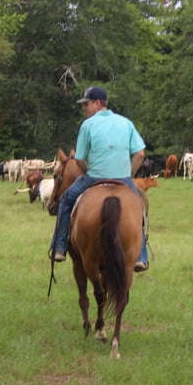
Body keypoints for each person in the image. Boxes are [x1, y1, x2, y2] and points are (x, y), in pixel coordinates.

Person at [48, 86, 150, 272]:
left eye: (86, 104)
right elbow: (140, 154)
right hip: (122, 178)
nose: (83, 108)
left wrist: (88, 171)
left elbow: (79, 158)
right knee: (139, 207)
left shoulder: (88, 125)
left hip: (94, 177)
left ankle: (60, 247)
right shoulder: (126, 123)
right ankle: (141, 256)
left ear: (97, 103)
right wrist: (129, 174)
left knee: (65, 201)